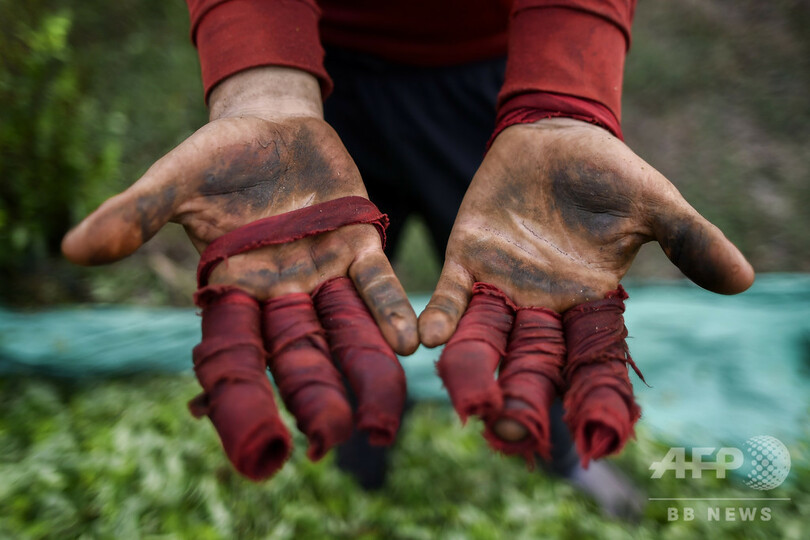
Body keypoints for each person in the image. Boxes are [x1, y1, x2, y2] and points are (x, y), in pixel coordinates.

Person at [61, 0, 754, 519]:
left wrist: (564, 91)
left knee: (536, 302)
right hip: (320, 73)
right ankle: (361, 456)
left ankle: (563, 451)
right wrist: (261, 78)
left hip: (502, 78)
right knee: (335, 311)